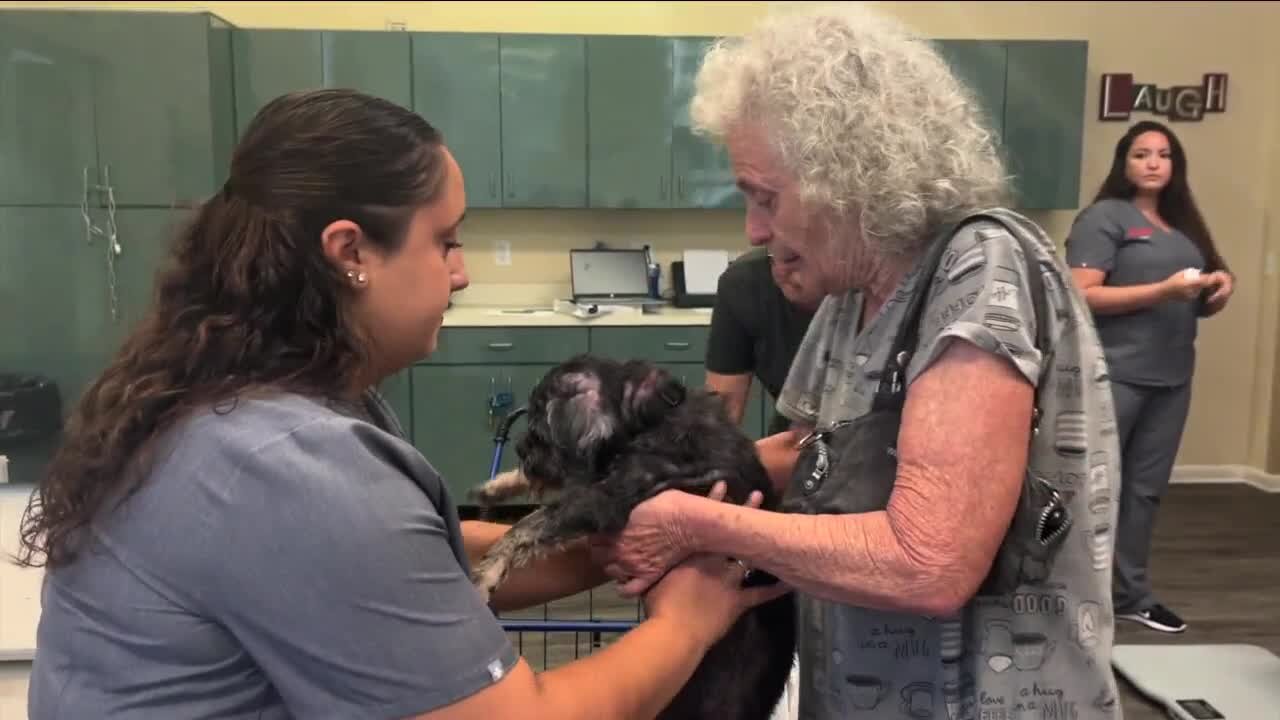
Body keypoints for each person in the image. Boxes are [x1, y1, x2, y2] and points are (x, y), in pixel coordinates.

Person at [16, 89, 784, 720]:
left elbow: (416, 567)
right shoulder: (289, 467)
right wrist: (689, 619)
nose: (462, 274)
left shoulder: (265, 395)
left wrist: (614, 546)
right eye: (444, 241)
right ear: (350, 252)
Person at [594, 5, 1124, 717]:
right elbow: (813, 454)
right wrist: (653, 494)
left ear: (851, 177)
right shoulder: (854, 288)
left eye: (766, 198)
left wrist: (695, 522)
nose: (754, 229)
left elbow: (928, 561)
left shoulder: (980, 267)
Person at [1065, 120, 1234, 634]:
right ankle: (1072, 594)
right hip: (1116, 375)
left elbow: (1188, 305)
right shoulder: (1105, 218)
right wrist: (1162, 292)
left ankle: (1131, 594)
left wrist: (1217, 288)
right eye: (1142, 154)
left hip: (1171, 378)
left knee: (1144, 491)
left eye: (1164, 154)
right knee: (1094, 487)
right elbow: (1080, 295)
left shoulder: (1181, 226)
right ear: (1124, 162)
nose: (1154, 163)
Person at [705, 247, 822, 436]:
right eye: (778, 259)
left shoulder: (874, 280)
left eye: (793, 259)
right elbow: (725, 406)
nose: (781, 271)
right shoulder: (746, 282)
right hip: (795, 434)